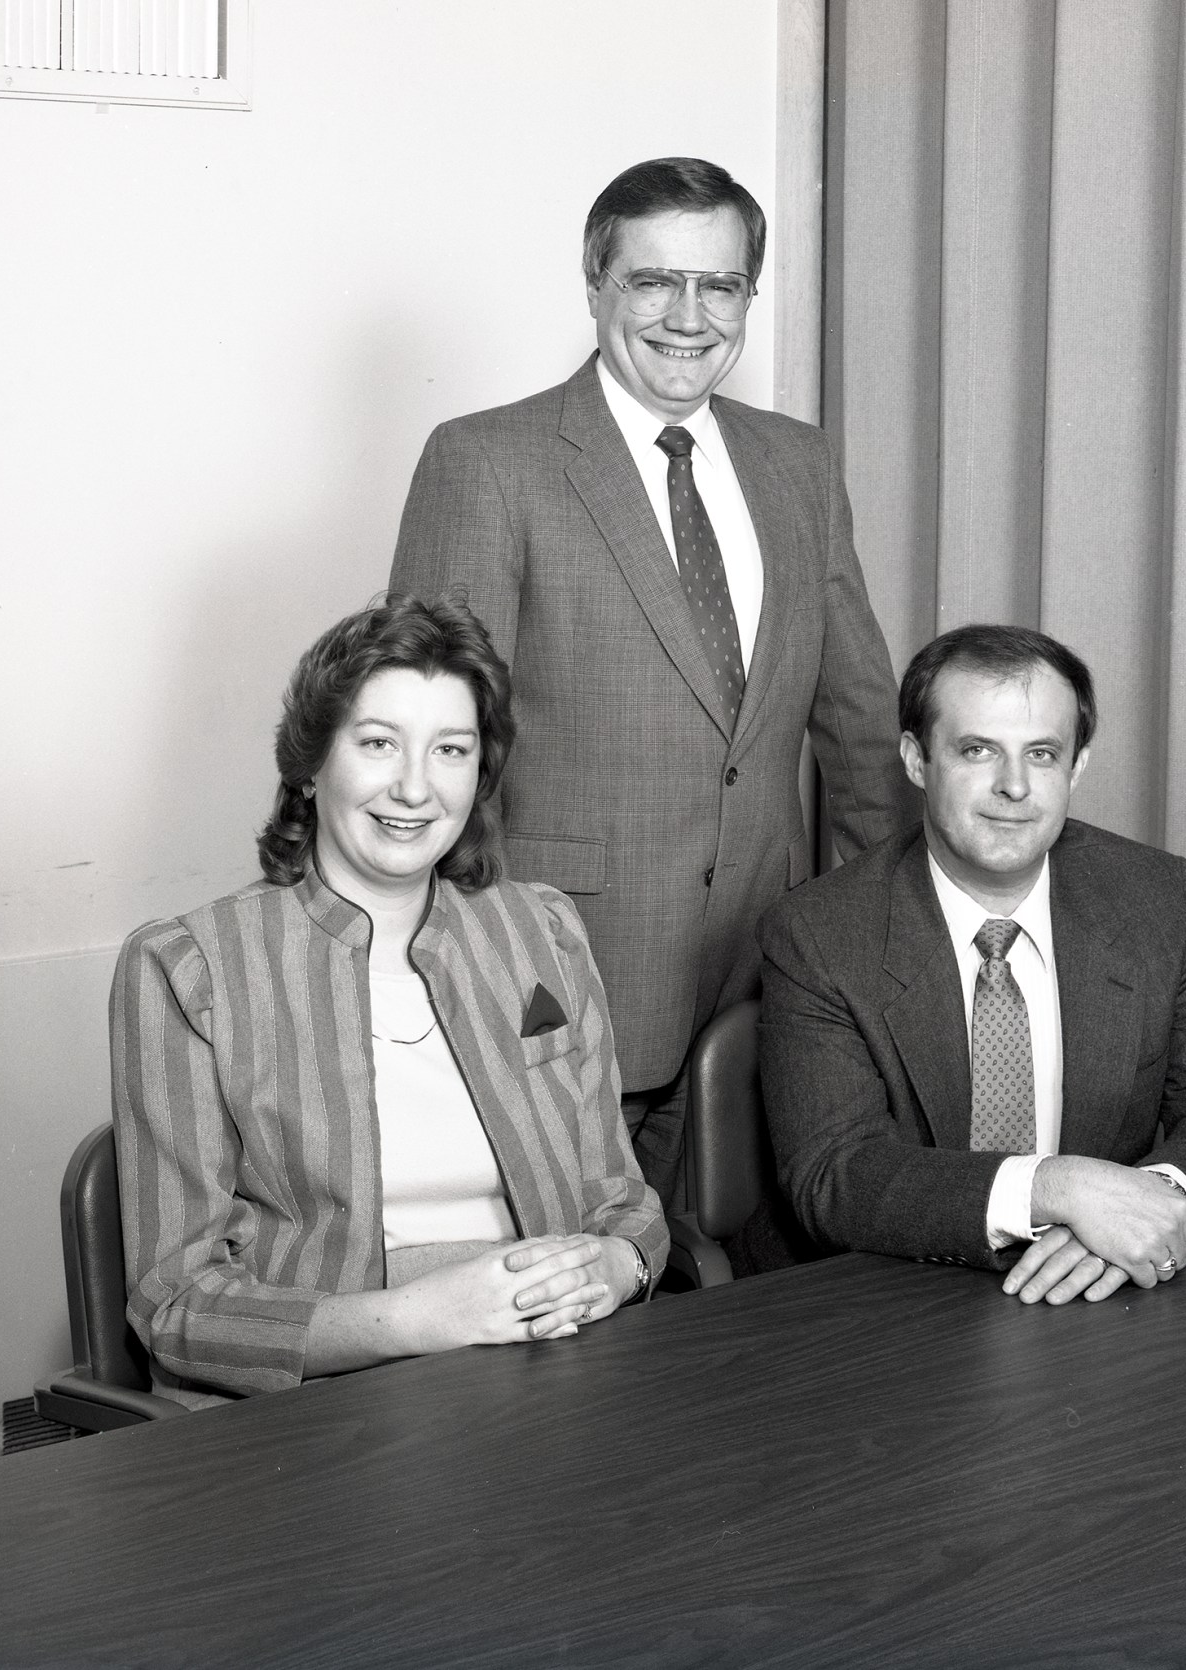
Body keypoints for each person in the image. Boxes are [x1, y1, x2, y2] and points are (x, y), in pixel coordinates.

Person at [389, 156, 910, 1192]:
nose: (688, 316)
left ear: (747, 298)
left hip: (769, 968)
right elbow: (433, 740)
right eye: (651, 281)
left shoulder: (797, 463)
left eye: (718, 285)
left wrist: (889, 933)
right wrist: (465, 968)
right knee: (579, 1299)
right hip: (565, 972)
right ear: (594, 285)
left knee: (744, 1302)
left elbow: (856, 722)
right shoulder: (487, 461)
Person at [113, 597, 668, 1405]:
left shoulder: (543, 931)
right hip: (317, 1409)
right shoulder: (188, 969)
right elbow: (178, 1303)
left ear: (480, 773)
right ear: (310, 765)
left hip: (552, 1375)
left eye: (451, 749)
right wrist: (414, 1321)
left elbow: (623, 1203)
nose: (414, 787)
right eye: (379, 744)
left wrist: (622, 1265)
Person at [757, 624, 1186, 1304]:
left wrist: (1146, 1209)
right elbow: (834, 1175)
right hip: (882, 1306)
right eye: (978, 750)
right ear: (916, 760)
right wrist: (1053, 1189)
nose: (1014, 786)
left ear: (1075, 768)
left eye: (1041, 754)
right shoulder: (820, 933)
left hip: (1095, 1304)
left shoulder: (1155, 899)